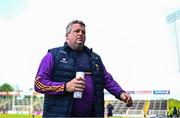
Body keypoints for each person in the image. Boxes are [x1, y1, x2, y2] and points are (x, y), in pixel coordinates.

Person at [34, 20, 133, 117]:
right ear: (67, 35)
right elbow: (39, 84)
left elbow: (107, 79)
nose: (81, 33)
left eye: (83, 32)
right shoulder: (53, 55)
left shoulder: (95, 58)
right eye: (76, 31)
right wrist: (65, 87)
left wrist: (120, 93)